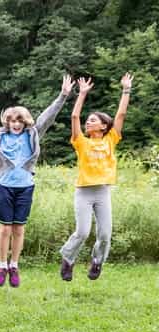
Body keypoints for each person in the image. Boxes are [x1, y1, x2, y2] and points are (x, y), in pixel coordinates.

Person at [0, 75, 73, 287]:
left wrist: (63, 95)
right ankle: (2, 265)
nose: (16, 124)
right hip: (5, 186)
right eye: (12, 121)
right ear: (7, 122)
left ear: (25, 122)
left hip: (25, 188)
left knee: (18, 229)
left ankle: (14, 265)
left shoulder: (32, 134)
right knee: (5, 229)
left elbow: (48, 116)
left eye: (20, 121)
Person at [59, 73, 133, 281]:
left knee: (105, 234)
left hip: (102, 192)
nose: (88, 122)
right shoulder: (81, 141)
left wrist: (126, 90)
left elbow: (121, 114)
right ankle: (68, 259)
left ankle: (97, 261)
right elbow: (75, 117)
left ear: (103, 126)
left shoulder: (111, 139)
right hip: (84, 192)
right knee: (82, 232)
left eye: (93, 120)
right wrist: (82, 94)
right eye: (88, 120)